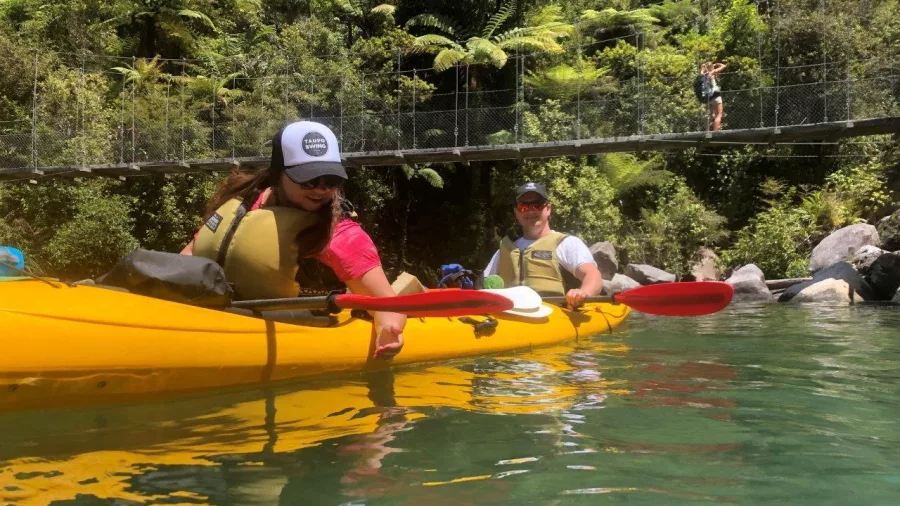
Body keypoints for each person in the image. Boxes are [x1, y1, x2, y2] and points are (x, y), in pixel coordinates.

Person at [180, 120, 405, 359]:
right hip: (220, 316)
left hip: (300, 329)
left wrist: (388, 329)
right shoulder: (245, 202)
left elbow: (386, 304)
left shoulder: (341, 234)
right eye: (308, 180)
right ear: (279, 174)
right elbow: (189, 256)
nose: (320, 189)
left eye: (330, 180)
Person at [482, 182, 603, 308]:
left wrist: (583, 292)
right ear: (516, 212)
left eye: (537, 205)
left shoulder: (566, 243)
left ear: (548, 209)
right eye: (523, 206)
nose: (530, 211)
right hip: (510, 317)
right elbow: (483, 283)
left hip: (553, 316)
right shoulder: (506, 249)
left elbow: (592, 275)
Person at [699, 61, 727, 131]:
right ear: (712, 67)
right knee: (719, 114)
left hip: (708, 97)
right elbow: (724, 66)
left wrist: (703, 68)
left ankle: (707, 131)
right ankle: (715, 131)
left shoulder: (702, 75)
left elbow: (701, 72)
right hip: (715, 95)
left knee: (709, 115)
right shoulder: (712, 72)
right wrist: (717, 64)